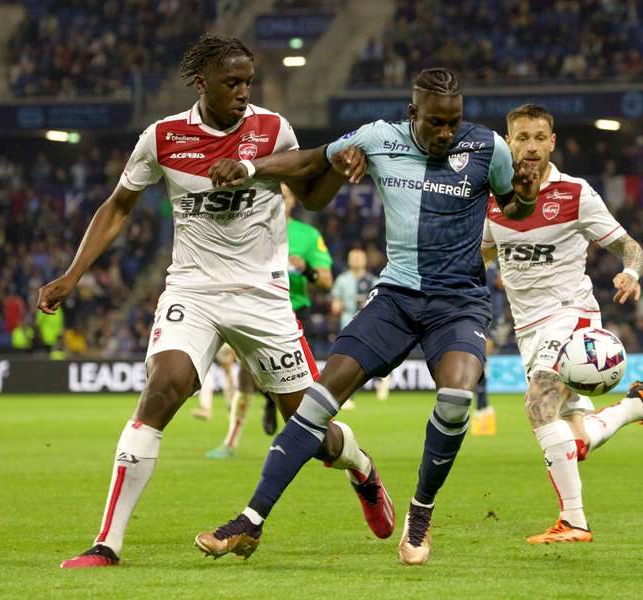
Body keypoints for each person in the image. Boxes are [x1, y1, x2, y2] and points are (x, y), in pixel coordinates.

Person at [42, 34, 388, 569]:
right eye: (232, 82)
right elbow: (118, 207)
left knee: (310, 430)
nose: (243, 92)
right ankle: (106, 544)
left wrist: (338, 170)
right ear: (201, 83)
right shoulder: (162, 138)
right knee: (164, 387)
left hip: (263, 297)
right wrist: (71, 274)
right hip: (193, 290)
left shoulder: (273, 129)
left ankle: (362, 468)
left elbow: (312, 196)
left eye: (248, 81)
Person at [194, 67, 541, 565]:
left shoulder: (488, 148)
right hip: (396, 297)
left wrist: (525, 195)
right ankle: (250, 521)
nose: (447, 133)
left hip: (459, 301)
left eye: (454, 122)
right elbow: (312, 159)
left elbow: (515, 207)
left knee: (457, 398)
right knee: (316, 403)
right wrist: (249, 169)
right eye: (436, 123)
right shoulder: (378, 138)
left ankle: (420, 514)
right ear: (412, 114)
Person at [481, 104, 643, 544]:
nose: (530, 146)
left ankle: (574, 522)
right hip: (528, 328)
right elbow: (486, 251)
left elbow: (630, 247)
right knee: (575, 442)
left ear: (552, 142)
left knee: (537, 405)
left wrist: (632, 273)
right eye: (521, 137)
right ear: (508, 141)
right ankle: (635, 407)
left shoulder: (576, 193)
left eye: (538, 138)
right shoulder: (493, 197)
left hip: (572, 315)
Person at [261, 187, 335, 432]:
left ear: (294, 201)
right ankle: (270, 399)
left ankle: (300, 428)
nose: (281, 200)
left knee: (301, 380)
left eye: (286, 196)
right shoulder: (251, 230)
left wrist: (307, 270)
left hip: (295, 314)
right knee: (251, 375)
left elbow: (326, 282)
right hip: (260, 310)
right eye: (276, 194)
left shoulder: (308, 235)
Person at [330, 248, 389, 406]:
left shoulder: (375, 281)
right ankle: (347, 396)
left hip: (369, 324)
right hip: (348, 324)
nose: (356, 259)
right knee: (347, 359)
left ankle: (382, 381)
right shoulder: (342, 280)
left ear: (365, 260)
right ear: (348, 260)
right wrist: (338, 305)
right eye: (353, 257)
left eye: (359, 257)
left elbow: (384, 305)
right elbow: (335, 305)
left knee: (374, 355)